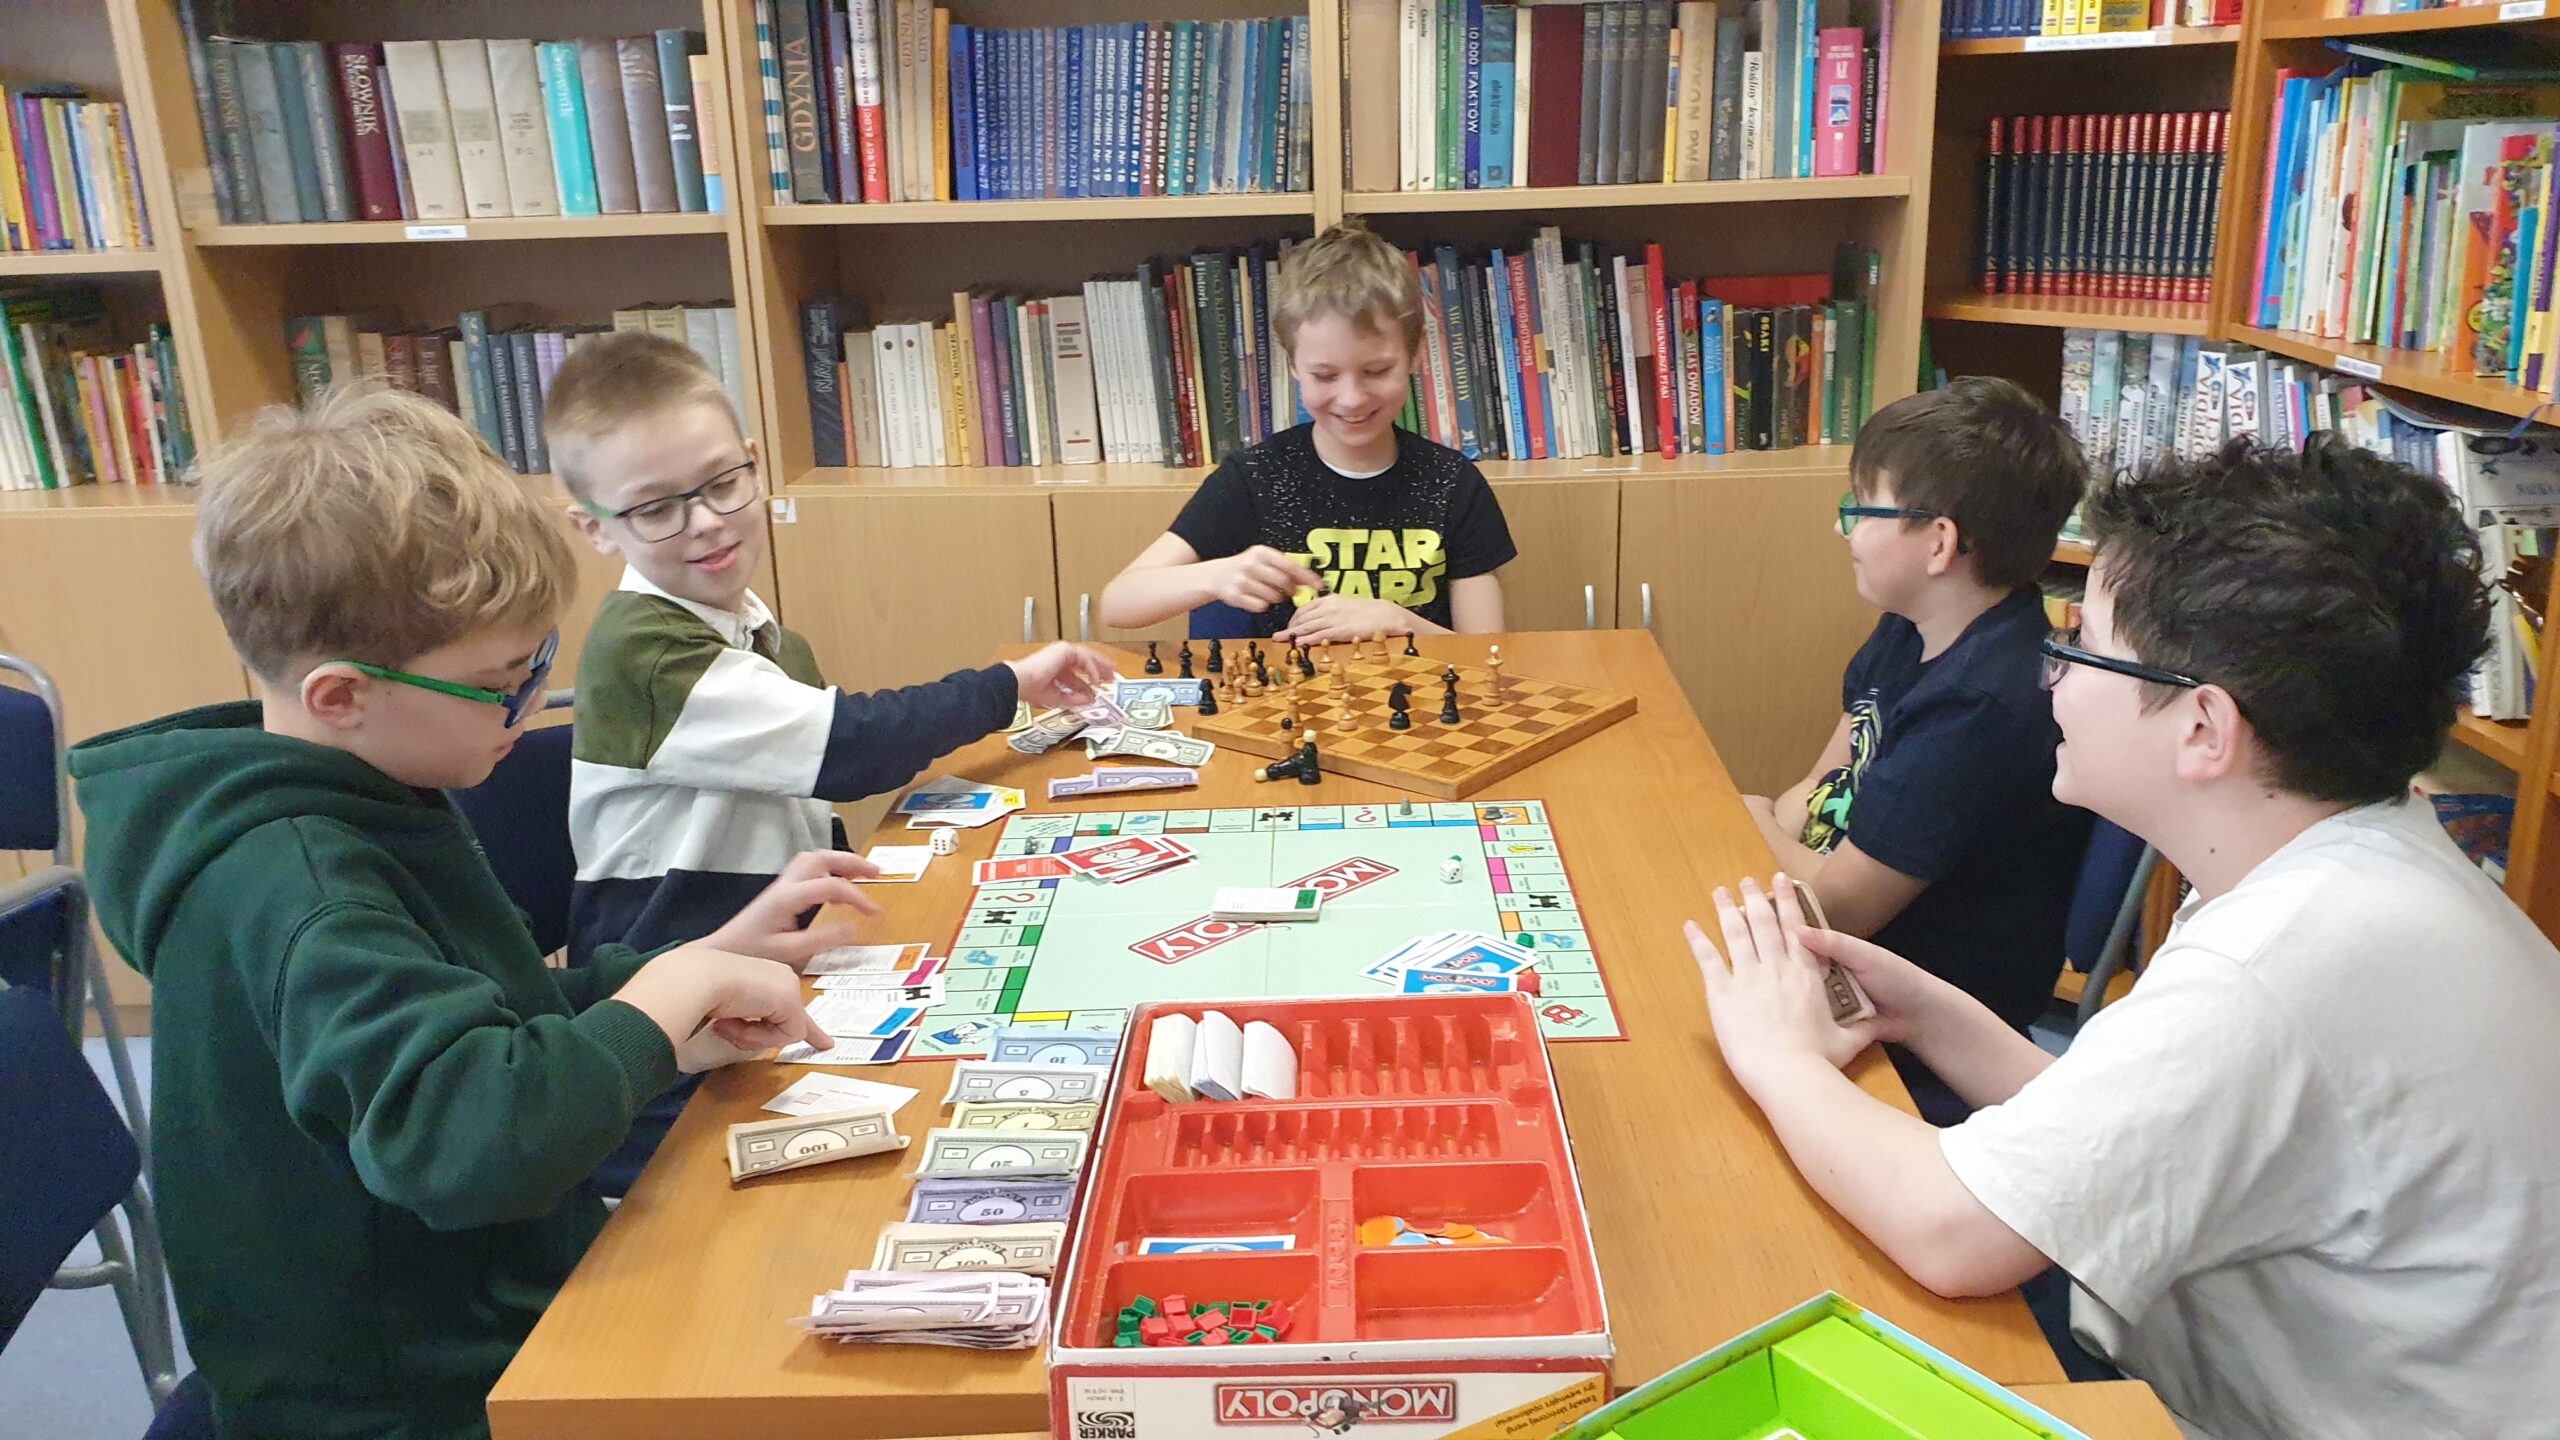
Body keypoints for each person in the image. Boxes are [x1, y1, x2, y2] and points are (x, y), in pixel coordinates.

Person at [1691, 436, 2560, 1438]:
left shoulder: (2272, 964)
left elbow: (1948, 1230)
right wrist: (1926, 1014)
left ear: (2203, 729)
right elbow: (2135, 1125)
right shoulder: (2344, 855)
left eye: (2079, 647)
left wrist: (1777, 1055)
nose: (2049, 680)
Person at [68, 383, 849, 1440]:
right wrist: (666, 998)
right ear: (343, 695)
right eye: (504, 681)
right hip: (413, 1400)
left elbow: (480, 1013)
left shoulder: (363, 785)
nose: (531, 706)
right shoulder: (304, 885)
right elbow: (476, 1141)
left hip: (477, 1318)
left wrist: (682, 972)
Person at [545, 331, 1113, 961]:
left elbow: (810, 798)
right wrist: (1010, 683)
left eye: (722, 482)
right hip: (664, 980)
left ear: (755, 464)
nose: (705, 521)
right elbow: (849, 748)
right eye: (655, 509)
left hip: (767, 951)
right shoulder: (647, 655)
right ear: (595, 529)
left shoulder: (762, 634)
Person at [1745, 377, 2093, 1042]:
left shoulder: (1979, 706)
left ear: (1938, 543)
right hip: (1838, 941)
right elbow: (1822, 784)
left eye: (1861, 509)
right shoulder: (1910, 625)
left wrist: (1748, 820)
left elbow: (1838, 910)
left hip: (1920, 1012)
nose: (1841, 528)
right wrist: (1767, 828)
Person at [1097, 221, 1516, 643]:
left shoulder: (1452, 483)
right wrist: (1215, 575)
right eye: (1325, 375)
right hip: (1291, 684)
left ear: (1416, 353)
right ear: (1294, 364)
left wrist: (1401, 622)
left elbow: (1488, 652)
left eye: (1376, 370)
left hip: (1421, 683)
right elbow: (1117, 602)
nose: (1351, 398)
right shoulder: (1255, 478)